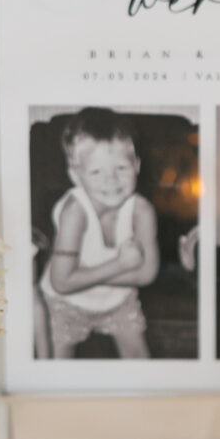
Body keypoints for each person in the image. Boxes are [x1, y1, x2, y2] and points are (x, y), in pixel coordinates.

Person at [39, 109, 159, 359]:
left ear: (136, 165)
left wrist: (81, 276)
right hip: (65, 304)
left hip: (118, 301)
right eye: (96, 172)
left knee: (140, 363)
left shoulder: (142, 211)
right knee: (56, 372)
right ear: (75, 175)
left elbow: (147, 274)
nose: (111, 180)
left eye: (121, 168)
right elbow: (61, 283)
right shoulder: (75, 212)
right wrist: (120, 265)